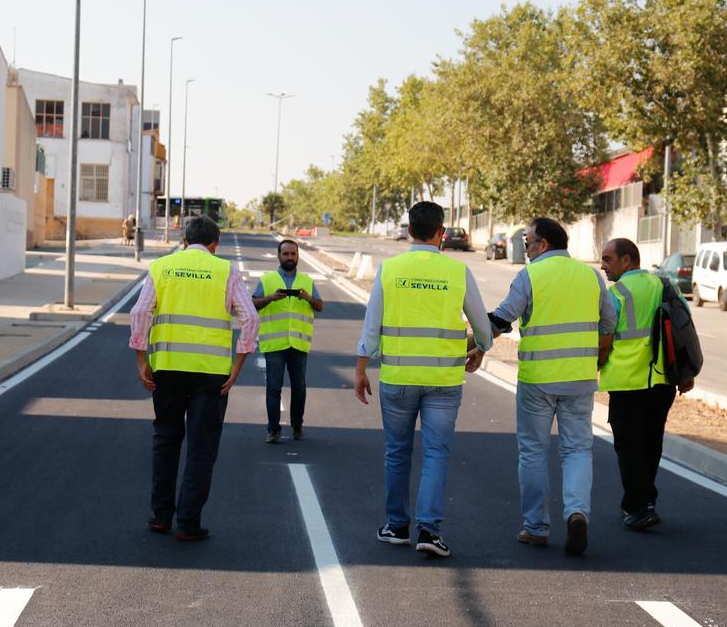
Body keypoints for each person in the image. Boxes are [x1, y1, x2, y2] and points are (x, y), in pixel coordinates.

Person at [354, 201, 491, 558]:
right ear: (441, 233)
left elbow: (372, 325)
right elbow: (481, 325)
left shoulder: (390, 269)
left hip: (398, 378)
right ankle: (429, 530)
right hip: (444, 381)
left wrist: (360, 368)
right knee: (436, 453)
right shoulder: (457, 272)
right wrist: (480, 349)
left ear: (409, 230)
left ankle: (396, 526)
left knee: (397, 453)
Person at [490, 217, 616, 556]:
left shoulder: (530, 275)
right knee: (577, 449)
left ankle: (536, 527)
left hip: (538, 380)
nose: (526, 249)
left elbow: (503, 318)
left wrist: (475, 341)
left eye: (529, 243)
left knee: (533, 451)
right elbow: (609, 321)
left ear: (543, 244)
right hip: (580, 378)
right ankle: (577, 513)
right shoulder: (590, 276)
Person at [128, 215, 259, 541]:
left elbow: (140, 313)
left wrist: (141, 359)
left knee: (166, 439)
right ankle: (188, 522)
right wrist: (238, 364)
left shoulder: (161, 267)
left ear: (184, 240)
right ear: (215, 244)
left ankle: (160, 516)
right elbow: (251, 318)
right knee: (202, 447)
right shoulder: (225, 270)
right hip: (211, 375)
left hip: (168, 369)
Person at [598, 238, 694, 532]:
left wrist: (597, 364)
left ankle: (638, 506)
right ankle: (644, 502)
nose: (603, 266)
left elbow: (606, 338)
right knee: (651, 443)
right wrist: (687, 372)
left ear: (627, 260)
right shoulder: (666, 285)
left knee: (628, 445)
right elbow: (684, 328)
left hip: (628, 382)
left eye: (608, 259)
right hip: (663, 381)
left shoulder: (617, 293)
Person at [253, 239, 324, 443]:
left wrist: (307, 298)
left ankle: (297, 426)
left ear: (298, 256)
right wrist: (271, 298)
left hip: (298, 344)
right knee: (273, 388)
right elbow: (253, 304)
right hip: (275, 344)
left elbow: (319, 306)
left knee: (299, 388)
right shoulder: (267, 280)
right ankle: (273, 430)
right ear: (279, 256)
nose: (290, 258)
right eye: (286, 254)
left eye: (293, 254)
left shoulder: (307, 281)